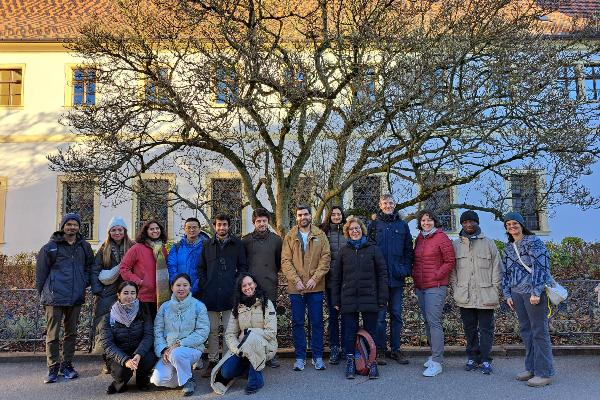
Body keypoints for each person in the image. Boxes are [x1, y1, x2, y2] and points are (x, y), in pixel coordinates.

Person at [36, 212, 94, 384]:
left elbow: (89, 267)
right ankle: (52, 367)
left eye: (75, 224)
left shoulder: (84, 246)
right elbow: (40, 274)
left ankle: (67, 365)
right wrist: (44, 295)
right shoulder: (50, 247)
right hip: (54, 298)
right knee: (53, 335)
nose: (72, 227)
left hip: (75, 297)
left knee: (71, 333)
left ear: (79, 227)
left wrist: (84, 283)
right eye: (68, 224)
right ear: (63, 227)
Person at [501, 211, 555, 387]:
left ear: (522, 225)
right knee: (526, 331)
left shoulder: (534, 242)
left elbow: (541, 267)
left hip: (533, 293)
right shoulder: (508, 248)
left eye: (515, 223)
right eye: (508, 225)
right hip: (517, 293)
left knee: (539, 332)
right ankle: (531, 368)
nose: (512, 227)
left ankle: (544, 372)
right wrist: (508, 294)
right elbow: (506, 273)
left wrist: (536, 291)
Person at [331, 217, 388, 379]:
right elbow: (336, 278)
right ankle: (351, 361)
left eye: (357, 228)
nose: (354, 231)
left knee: (371, 332)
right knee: (349, 332)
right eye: (351, 229)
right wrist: (335, 300)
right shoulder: (343, 251)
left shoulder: (373, 249)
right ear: (347, 233)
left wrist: (382, 298)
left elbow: (382, 274)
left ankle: (372, 363)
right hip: (348, 298)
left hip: (370, 297)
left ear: (362, 230)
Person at [449, 210, 501, 375]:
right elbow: (453, 272)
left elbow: (497, 268)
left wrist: (495, 288)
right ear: (461, 224)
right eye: (465, 222)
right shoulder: (456, 245)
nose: (469, 224)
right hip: (465, 295)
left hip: (486, 294)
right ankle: (472, 357)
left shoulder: (489, 243)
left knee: (486, 329)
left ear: (477, 223)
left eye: (472, 221)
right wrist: (456, 289)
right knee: (469, 328)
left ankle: (486, 359)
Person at [281, 204, 331, 371]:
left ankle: (317, 357)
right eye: (300, 215)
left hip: (315, 288)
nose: (303, 217)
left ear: (310, 216)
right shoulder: (290, 236)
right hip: (296, 289)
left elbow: (326, 258)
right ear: (296, 217)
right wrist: (296, 280)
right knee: (298, 323)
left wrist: (315, 278)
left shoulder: (320, 235)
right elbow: (285, 261)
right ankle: (300, 357)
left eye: (306, 214)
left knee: (316, 322)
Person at [198, 213, 248, 378]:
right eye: (219, 224)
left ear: (229, 226)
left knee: (229, 330)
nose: (222, 227)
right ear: (215, 226)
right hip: (210, 294)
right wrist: (205, 284)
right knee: (212, 330)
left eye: (224, 224)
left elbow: (242, 267)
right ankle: (212, 360)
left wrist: (236, 284)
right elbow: (201, 268)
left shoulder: (237, 244)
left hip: (230, 294)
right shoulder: (207, 245)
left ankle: (227, 360)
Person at [210, 273, 278, 395]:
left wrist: (247, 332)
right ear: (240, 289)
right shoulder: (237, 307)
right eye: (244, 286)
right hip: (242, 348)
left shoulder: (266, 304)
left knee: (252, 339)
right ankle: (249, 367)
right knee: (226, 372)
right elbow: (230, 334)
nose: (248, 287)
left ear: (255, 284)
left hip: (265, 346)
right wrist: (238, 350)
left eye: (250, 284)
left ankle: (256, 381)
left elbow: (271, 332)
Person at [367, 194, 414, 365]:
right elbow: (369, 250)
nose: (388, 205)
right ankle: (380, 349)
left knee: (396, 315)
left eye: (390, 203)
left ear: (395, 204)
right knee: (379, 317)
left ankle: (396, 349)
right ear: (380, 205)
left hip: (396, 278)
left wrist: (405, 269)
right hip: (379, 279)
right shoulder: (373, 225)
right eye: (385, 203)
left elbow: (409, 249)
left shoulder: (402, 225)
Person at [151, 273, 210, 396]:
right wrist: (163, 350)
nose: (181, 288)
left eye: (185, 285)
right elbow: (158, 330)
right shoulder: (164, 307)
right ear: (172, 287)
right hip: (169, 351)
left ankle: (188, 381)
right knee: (157, 380)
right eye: (178, 285)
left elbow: (202, 332)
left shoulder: (199, 306)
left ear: (190, 287)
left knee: (177, 353)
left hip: (191, 349)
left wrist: (179, 344)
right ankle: (184, 374)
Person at [412, 209, 455, 377]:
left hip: (435, 286)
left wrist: (437, 275)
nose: (426, 223)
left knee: (434, 322)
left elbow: (449, 260)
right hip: (421, 286)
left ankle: (437, 362)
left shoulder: (441, 237)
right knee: (428, 322)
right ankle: (433, 355)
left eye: (429, 220)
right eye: (423, 220)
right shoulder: (420, 239)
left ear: (435, 222)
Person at [91, 217, 134, 374]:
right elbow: (95, 269)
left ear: (125, 231)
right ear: (109, 232)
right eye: (114, 230)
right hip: (107, 293)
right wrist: (98, 290)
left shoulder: (132, 246)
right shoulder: (104, 248)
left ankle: (128, 360)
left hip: (128, 292)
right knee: (105, 326)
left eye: (120, 229)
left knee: (127, 326)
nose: (117, 232)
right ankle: (107, 360)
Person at [241, 208, 282, 368]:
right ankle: (250, 352)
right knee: (251, 321)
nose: (262, 224)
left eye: (264, 221)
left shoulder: (277, 240)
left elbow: (279, 262)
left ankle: (271, 354)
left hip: (270, 284)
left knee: (269, 321)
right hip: (251, 288)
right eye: (259, 221)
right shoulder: (246, 241)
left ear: (268, 222)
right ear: (254, 223)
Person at [99, 281, 157, 394]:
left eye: (132, 293)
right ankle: (120, 382)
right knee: (121, 371)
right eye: (125, 293)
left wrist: (139, 354)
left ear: (136, 295)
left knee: (149, 359)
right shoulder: (109, 316)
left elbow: (149, 335)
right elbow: (107, 343)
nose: (129, 296)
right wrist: (125, 360)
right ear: (118, 295)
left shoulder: (143, 311)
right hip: (120, 353)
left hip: (139, 351)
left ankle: (142, 380)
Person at [120, 219, 169, 319]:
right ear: (146, 231)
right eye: (151, 229)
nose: (155, 231)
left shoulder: (162, 249)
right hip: (143, 297)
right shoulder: (137, 248)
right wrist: (139, 281)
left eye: (157, 228)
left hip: (160, 296)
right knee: (146, 328)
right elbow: (124, 268)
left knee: (158, 327)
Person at [320, 206, 347, 365]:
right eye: (334, 214)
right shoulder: (324, 232)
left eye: (339, 214)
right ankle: (335, 347)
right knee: (333, 315)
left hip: (347, 281)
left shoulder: (347, 231)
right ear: (329, 216)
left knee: (347, 315)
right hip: (331, 281)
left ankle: (346, 346)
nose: (336, 216)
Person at [167, 217, 209, 299]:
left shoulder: (207, 247)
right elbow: (172, 267)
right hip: (180, 292)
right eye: (189, 227)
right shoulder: (176, 247)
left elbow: (207, 269)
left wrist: (194, 288)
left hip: (200, 292)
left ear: (199, 229)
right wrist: (178, 286)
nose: (191, 230)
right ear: (185, 229)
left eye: (194, 227)